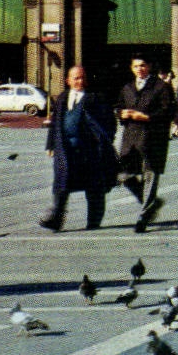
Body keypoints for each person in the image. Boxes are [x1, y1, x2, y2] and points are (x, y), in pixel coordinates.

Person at [40, 65, 118, 231]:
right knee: (61, 184)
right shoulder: (62, 98)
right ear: (68, 80)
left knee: (94, 186)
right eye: (76, 78)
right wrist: (50, 144)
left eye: (82, 78)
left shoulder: (94, 98)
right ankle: (56, 219)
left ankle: (94, 221)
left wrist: (105, 141)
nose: (80, 81)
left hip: (88, 151)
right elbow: (55, 123)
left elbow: (110, 122)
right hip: (65, 150)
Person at [117, 54, 174, 232]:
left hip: (152, 138)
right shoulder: (127, 87)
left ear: (149, 66)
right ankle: (151, 203)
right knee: (123, 175)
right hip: (131, 139)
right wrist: (121, 113)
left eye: (142, 66)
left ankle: (144, 216)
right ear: (131, 68)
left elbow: (168, 112)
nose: (139, 69)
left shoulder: (161, 87)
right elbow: (118, 106)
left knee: (150, 175)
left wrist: (147, 117)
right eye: (136, 66)